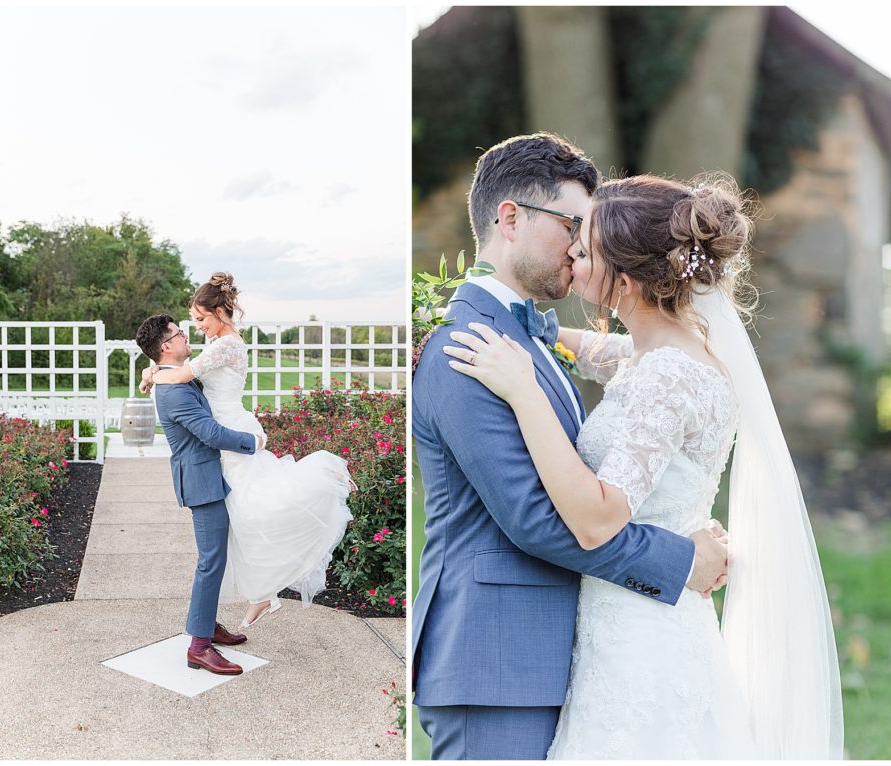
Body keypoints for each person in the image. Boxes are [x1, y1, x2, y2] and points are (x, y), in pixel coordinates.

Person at [445, 172, 842, 758]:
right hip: (644, 615)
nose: (571, 256)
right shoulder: (660, 351)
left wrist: (525, 391)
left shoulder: (667, 374)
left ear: (624, 281)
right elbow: (588, 348)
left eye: (585, 251)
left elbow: (598, 518)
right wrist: (514, 322)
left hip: (640, 640)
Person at [411, 133, 730, 760]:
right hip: (496, 664)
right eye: (571, 227)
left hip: (578, 653)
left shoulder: (545, 345)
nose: (582, 249)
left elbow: (613, 357)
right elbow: (537, 520)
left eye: (593, 237)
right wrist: (677, 560)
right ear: (510, 220)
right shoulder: (470, 352)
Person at [140, 273, 353, 630]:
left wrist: (152, 375)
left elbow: (179, 375)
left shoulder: (226, 345)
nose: (197, 328)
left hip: (231, 431)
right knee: (241, 516)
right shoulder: (217, 344)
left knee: (258, 507)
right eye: (190, 323)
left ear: (221, 312)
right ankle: (261, 595)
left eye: (201, 319)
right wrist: (154, 369)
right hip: (225, 430)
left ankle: (324, 479)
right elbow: (178, 372)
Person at [135, 312, 264, 675]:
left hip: (210, 474)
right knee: (210, 562)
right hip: (201, 480)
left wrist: (149, 372)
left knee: (217, 560)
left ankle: (207, 626)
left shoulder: (172, 375)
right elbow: (210, 433)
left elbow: (174, 371)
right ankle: (198, 647)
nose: (185, 334)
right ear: (166, 346)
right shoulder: (173, 390)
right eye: (178, 333)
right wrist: (252, 441)